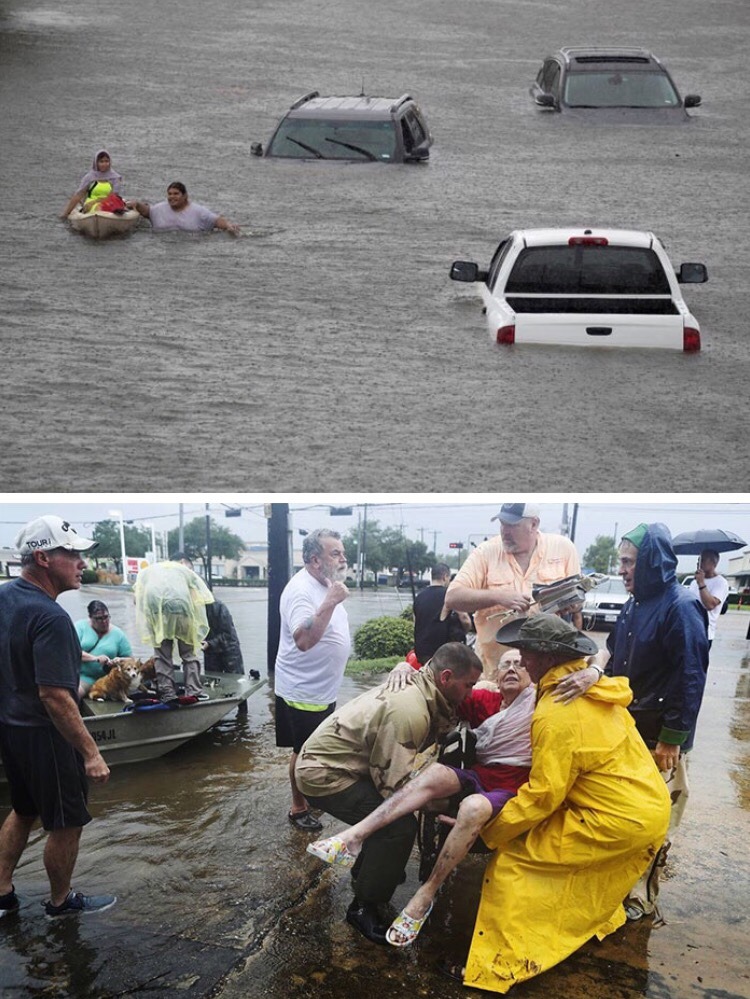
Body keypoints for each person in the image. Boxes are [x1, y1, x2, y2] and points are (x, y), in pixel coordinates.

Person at [448, 614, 671, 994]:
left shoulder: (556, 712)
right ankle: (583, 927)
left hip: (616, 818)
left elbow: (543, 796)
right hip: (648, 806)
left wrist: (492, 833)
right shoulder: (595, 689)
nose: (521, 661)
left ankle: (496, 968)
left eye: (527, 654)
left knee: (514, 864)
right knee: (580, 868)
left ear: (548, 657)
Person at [296, 643, 484, 945]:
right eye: (468, 685)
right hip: (323, 774)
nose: (471, 693)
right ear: (446, 677)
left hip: (347, 765)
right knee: (398, 826)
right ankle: (364, 908)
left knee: (390, 823)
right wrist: (447, 803)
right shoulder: (409, 708)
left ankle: (371, 870)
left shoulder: (425, 688)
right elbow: (395, 790)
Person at [590, 523, 709, 919]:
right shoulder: (632, 604)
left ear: (650, 564)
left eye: (628, 562)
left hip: (660, 739)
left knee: (656, 821)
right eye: (621, 563)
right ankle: (617, 886)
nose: (622, 570)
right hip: (629, 729)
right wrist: (595, 671)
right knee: (628, 815)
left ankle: (640, 897)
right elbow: (613, 651)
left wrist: (672, 740)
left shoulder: (682, 605)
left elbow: (690, 677)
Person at [0, 515, 116, 918]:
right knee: (67, 822)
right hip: (47, 736)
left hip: (11, 729)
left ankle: (1, 893)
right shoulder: (51, 617)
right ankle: (60, 902)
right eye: (72, 553)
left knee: (24, 809)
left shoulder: (5, 597)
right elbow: (54, 696)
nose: (82, 563)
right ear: (43, 558)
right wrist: (90, 753)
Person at [274, 529, 350, 833]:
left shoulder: (326, 583)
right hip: (302, 689)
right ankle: (298, 807)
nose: (343, 558)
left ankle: (310, 795)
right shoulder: (301, 591)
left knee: (316, 748)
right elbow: (304, 639)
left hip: (323, 688)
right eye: (335, 553)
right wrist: (331, 601)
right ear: (314, 560)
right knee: (303, 750)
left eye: (343, 552)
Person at [444, 503, 581, 672]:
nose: (505, 531)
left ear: (534, 524)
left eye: (512, 525)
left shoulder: (563, 548)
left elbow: (578, 601)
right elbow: (452, 597)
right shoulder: (486, 552)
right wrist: (499, 596)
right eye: (503, 524)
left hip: (549, 671)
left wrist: (573, 605)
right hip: (497, 671)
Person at [133, 557, 214, 706]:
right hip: (181, 606)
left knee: (162, 654)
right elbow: (200, 596)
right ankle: (194, 691)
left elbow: (136, 598)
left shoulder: (149, 571)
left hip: (155, 607)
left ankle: (167, 692)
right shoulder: (185, 571)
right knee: (189, 653)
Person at [412, 563, 472, 665]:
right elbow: (464, 618)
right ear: (445, 577)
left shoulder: (419, 597)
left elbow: (415, 623)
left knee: (429, 678)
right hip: (444, 652)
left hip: (422, 652)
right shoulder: (450, 595)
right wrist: (465, 631)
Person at [128, 182, 240, 234]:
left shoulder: (198, 211)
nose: (172, 197)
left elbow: (216, 220)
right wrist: (136, 204)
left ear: (185, 196)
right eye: (169, 194)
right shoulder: (158, 209)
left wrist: (229, 226)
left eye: (176, 194)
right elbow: (146, 211)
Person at [76, 599, 133, 698]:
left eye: (106, 617)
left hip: (107, 680)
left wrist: (119, 660)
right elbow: (71, 652)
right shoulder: (79, 627)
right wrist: (95, 658)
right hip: (83, 677)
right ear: (90, 618)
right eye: (99, 618)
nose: (104, 621)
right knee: (74, 694)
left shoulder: (118, 634)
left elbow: (131, 659)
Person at [60, 149, 123, 219]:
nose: (104, 164)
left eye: (106, 161)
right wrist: (65, 214)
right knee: (99, 207)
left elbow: (114, 195)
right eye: (101, 162)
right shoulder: (89, 177)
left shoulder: (115, 177)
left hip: (109, 203)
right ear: (96, 163)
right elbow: (78, 195)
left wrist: (102, 201)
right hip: (91, 204)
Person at [688, 548, 729, 649]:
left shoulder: (720, 582)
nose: (698, 563)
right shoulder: (694, 582)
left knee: (697, 664)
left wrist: (701, 583)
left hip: (704, 632)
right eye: (698, 560)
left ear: (713, 563)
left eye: (702, 560)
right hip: (689, 629)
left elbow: (710, 605)